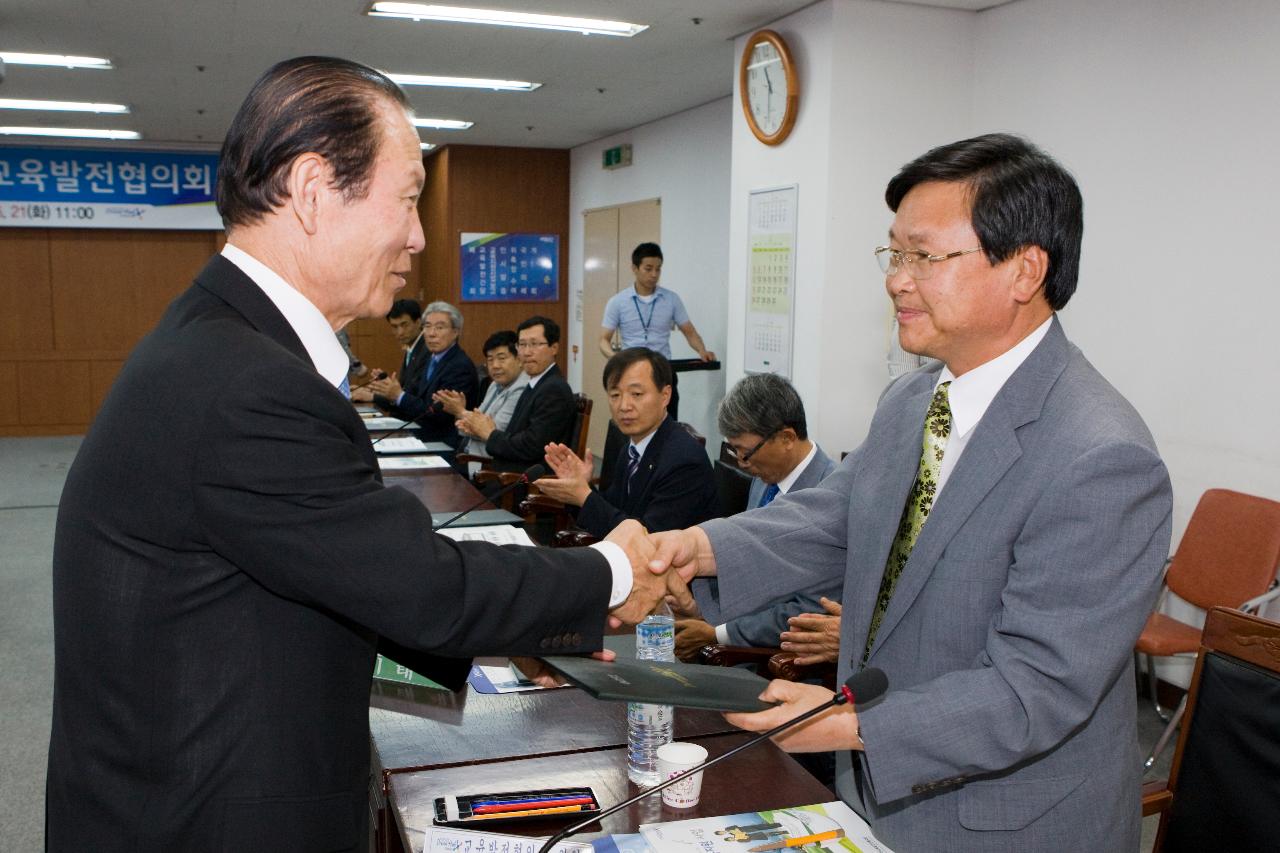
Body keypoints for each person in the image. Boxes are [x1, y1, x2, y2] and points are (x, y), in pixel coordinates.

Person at [46, 56, 686, 852]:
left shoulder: (222, 342)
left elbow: (330, 578)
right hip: (208, 817)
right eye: (409, 197)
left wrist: (527, 625)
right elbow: (419, 586)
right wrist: (614, 572)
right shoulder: (246, 383)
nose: (419, 235)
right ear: (315, 192)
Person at [639, 134, 1172, 851]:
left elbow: (1034, 686)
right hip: (878, 793)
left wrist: (842, 723)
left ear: (1025, 269)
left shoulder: (1101, 455)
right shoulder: (912, 401)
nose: (897, 279)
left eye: (925, 255)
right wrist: (697, 548)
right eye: (894, 254)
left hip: (1003, 820)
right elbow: (834, 520)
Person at [672, 373, 839, 660]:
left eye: (745, 453)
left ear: (787, 437)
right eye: (734, 450)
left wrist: (719, 632)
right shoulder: (765, 478)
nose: (741, 463)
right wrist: (694, 606)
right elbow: (746, 561)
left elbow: (812, 607)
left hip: (778, 660)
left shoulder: (832, 496)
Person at [536, 347, 717, 539]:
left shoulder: (684, 460)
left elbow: (648, 540)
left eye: (636, 394)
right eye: (615, 395)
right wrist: (583, 487)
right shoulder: (631, 449)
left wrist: (584, 495)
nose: (624, 406)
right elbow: (617, 513)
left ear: (665, 396)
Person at [598, 242, 715, 486]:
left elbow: (689, 331)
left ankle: (660, 475)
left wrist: (702, 350)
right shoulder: (618, 302)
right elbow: (603, 340)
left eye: (658, 269)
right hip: (630, 374)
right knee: (629, 425)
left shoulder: (671, 299)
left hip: (664, 374)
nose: (653, 274)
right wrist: (615, 359)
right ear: (635, 268)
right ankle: (627, 477)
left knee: (665, 428)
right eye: (648, 268)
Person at [458, 315, 575, 472]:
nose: (526, 352)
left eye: (534, 344)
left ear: (554, 348)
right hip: (507, 472)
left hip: (526, 482)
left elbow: (530, 447)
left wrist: (490, 433)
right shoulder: (536, 383)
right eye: (522, 345)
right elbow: (515, 434)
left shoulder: (553, 390)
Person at [366, 299, 479, 445]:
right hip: (419, 435)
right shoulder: (432, 359)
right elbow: (413, 396)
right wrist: (389, 388)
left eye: (439, 327)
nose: (431, 333)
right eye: (427, 326)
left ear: (455, 332)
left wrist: (399, 395)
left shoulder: (459, 366)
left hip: (441, 443)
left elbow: (437, 415)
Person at [436, 330, 529, 475]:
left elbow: (494, 432)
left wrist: (461, 412)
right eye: (490, 359)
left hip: (487, 466)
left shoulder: (522, 388)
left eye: (501, 358)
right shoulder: (494, 384)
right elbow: (467, 428)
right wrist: (463, 417)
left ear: (519, 359)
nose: (495, 365)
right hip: (467, 454)